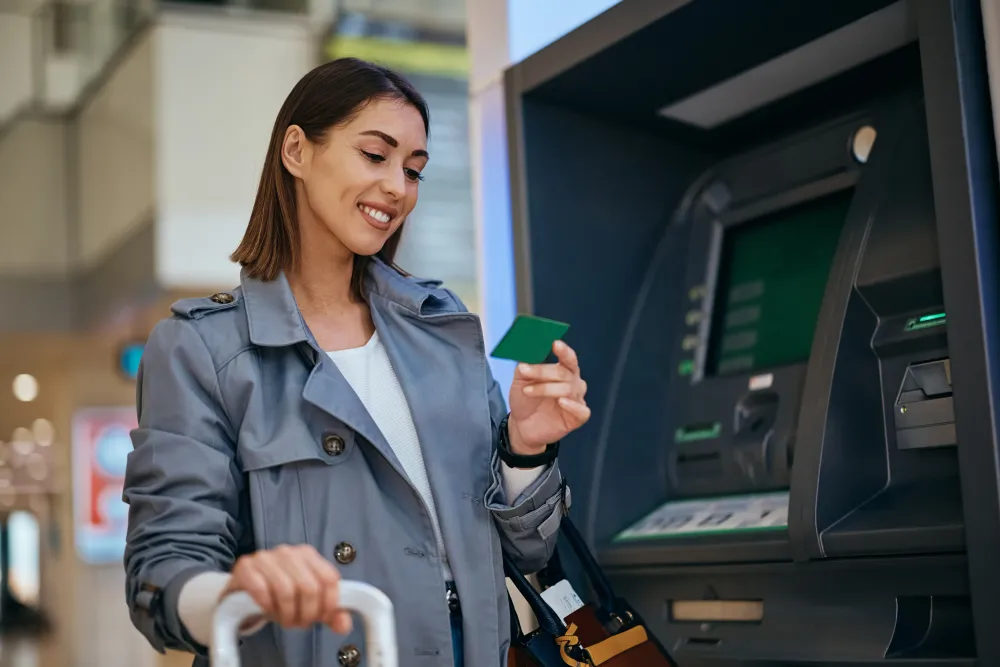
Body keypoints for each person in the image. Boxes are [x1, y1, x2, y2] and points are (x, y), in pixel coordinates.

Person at [122, 57, 590, 667]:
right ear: (297, 150)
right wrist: (237, 594)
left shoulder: (444, 328)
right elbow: (161, 570)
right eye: (376, 155)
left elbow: (525, 554)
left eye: (414, 170)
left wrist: (526, 448)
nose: (399, 187)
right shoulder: (200, 350)